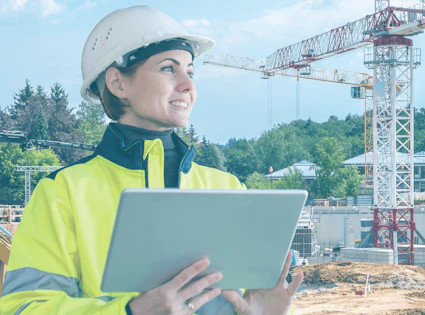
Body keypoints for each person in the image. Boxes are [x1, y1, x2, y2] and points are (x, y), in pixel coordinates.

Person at [0, 5, 303, 315]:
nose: (188, 84)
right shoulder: (63, 193)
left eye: (190, 71)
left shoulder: (229, 188)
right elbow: (21, 308)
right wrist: (131, 311)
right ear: (118, 84)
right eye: (168, 68)